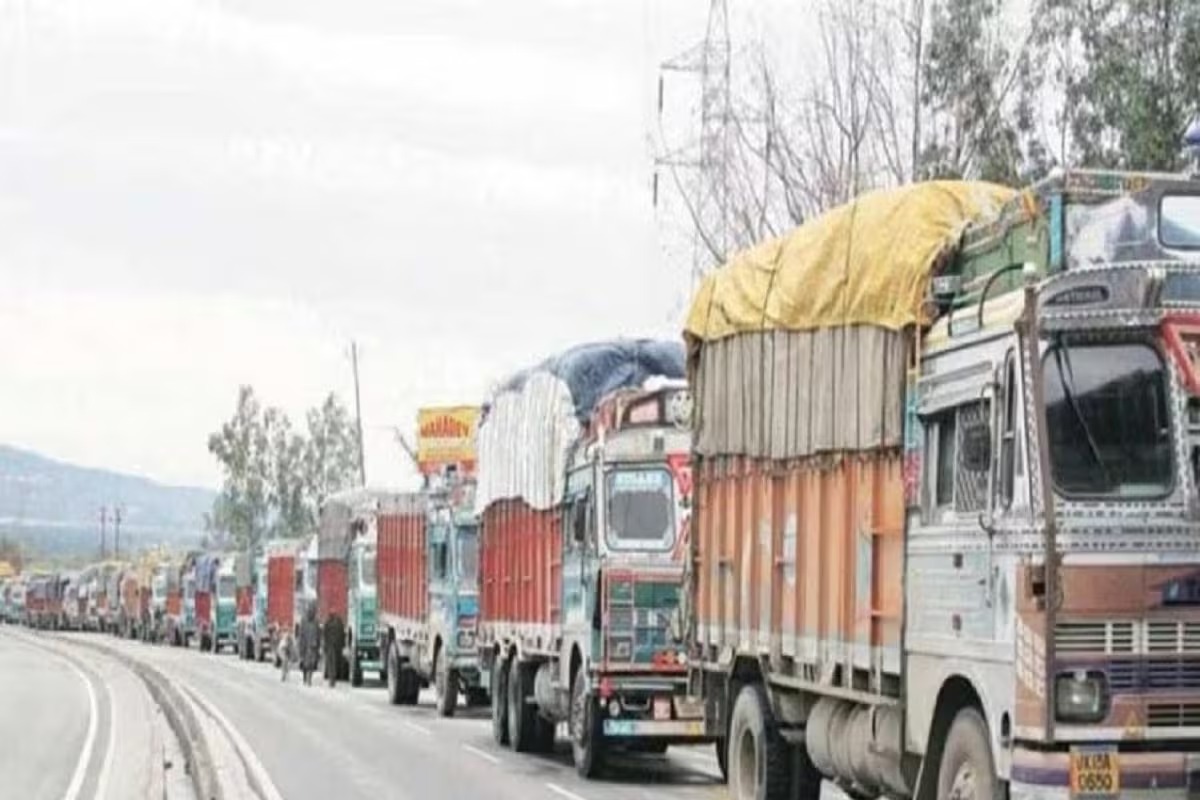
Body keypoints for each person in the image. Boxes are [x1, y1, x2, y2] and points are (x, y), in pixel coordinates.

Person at [298, 604, 320, 686]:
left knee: (311, 663)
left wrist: (318, 645)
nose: (311, 613)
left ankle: (309, 679)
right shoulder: (304, 621)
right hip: (305, 645)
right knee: (305, 663)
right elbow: (301, 634)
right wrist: (300, 645)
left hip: (312, 646)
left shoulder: (316, 621)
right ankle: (305, 677)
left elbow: (318, 634)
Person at [323, 612, 345, 688]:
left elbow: (324, 635)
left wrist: (324, 646)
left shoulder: (327, 623)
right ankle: (333, 679)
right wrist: (342, 645)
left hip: (329, 646)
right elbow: (342, 635)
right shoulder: (339, 623)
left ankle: (331, 680)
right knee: (335, 663)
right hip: (337, 647)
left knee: (330, 663)